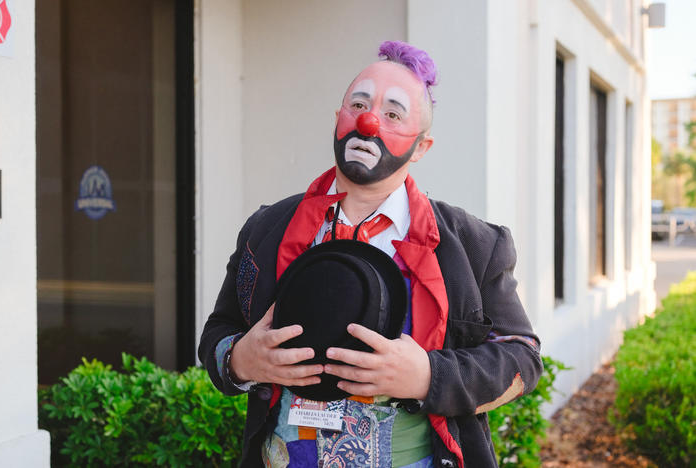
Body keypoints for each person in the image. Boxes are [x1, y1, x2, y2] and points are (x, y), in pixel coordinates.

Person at [199, 41, 543, 468]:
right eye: (359, 104)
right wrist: (240, 360)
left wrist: (428, 377)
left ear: (421, 147)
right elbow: (217, 333)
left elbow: (521, 358)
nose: (369, 120)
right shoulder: (266, 229)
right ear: (337, 121)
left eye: (393, 114)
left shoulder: (475, 246)